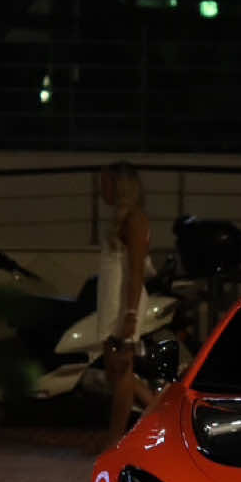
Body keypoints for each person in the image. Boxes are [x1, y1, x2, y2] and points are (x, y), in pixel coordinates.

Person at [98, 161, 155, 447]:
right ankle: (160, 411)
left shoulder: (135, 220)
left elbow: (135, 271)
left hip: (124, 301)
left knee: (121, 369)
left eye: (105, 183)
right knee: (118, 370)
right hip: (113, 299)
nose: (100, 188)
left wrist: (130, 313)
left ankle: (115, 441)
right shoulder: (122, 220)